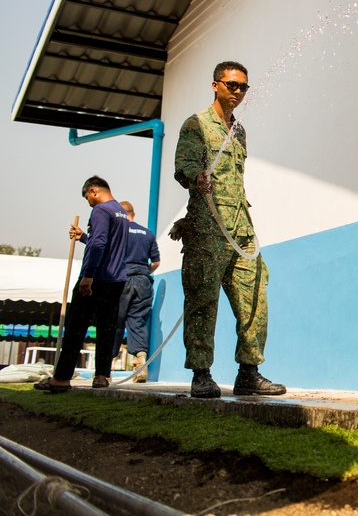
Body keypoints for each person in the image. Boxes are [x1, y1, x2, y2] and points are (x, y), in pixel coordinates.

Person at [171, 60, 285, 398]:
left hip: (240, 229)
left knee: (254, 297)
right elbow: (184, 166)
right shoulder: (197, 125)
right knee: (203, 301)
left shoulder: (239, 131)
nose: (237, 91)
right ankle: (201, 374)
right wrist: (197, 176)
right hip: (207, 226)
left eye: (243, 87)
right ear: (215, 85)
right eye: (231, 84)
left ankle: (249, 372)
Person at [35, 176, 129, 392]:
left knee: (76, 328)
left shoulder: (100, 211)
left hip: (96, 278)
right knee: (106, 329)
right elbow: (106, 243)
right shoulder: (121, 212)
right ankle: (102, 376)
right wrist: (84, 237)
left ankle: (61, 378)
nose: (89, 202)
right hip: (115, 280)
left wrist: (88, 275)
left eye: (88, 197)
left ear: (94, 190)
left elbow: (99, 244)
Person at [70, 201, 160, 383]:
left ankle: (106, 370)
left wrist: (83, 238)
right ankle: (141, 361)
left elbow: (102, 246)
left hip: (121, 278)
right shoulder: (147, 233)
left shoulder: (119, 230)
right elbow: (156, 262)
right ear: (133, 213)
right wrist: (142, 273)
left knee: (113, 322)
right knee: (137, 322)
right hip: (143, 281)